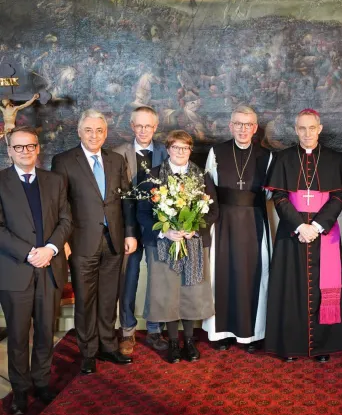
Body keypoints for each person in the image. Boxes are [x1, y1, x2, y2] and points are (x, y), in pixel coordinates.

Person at [52, 109, 137, 374]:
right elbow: (59, 204)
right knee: (86, 300)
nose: (94, 135)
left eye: (99, 130)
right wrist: (63, 239)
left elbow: (126, 200)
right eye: (89, 130)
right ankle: (87, 352)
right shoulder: (64, 161)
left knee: (109, 297)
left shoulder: (115, 160)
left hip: (113, 241)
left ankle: (108, 346)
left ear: (106, 133)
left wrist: (130, 232)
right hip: (81, 242)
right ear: (79, 132)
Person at [264, 108, 342, 363]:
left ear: (320, 129)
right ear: (296, 129)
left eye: (312, 128)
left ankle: (323, 346)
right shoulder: (284, 158)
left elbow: (337, 197)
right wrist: (301, 226)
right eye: (302, 128)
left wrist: (318, 226)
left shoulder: (333, 159)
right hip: (292, 233)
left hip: (325, 235)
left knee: (324, 290)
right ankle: (291, 345)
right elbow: (279, 196)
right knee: (290, 289)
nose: (307, 133)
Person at [0, 126, 72, 415]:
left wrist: (51, 249)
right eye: (19, 147)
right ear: (9, 151)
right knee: (18, 336)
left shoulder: (55, 181)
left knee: (45, 332)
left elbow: (66, 220)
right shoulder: (0, 182)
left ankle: (41, 382)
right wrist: (29, 253)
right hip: (15, 270)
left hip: (50, 269)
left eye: (30, 146)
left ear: (38, 148)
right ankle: (19, 390)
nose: (25, 151)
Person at [137, 130, 218, 364]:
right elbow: (142, 214)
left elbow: (213, 211)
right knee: (168, 292)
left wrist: (195, 228)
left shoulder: (202, 176)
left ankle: (189, 341)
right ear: (168, 149)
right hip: (163, 245)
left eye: (185, 148)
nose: (181, 152)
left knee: (191, 291)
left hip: (194, 244)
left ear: (190, 150)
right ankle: (173, 342)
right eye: (176, 147)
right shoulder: (153, 176)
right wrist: (165, 231)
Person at [202, 106, 273, 353]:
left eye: (248, 125)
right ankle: (220, 332)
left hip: (254, 221)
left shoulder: (266, 156)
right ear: (230, 126)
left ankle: (251, 333)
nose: (243, 129)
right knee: (221, 274)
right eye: (238, 124)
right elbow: (208, 188)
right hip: (222, 222)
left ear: (255, 128)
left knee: (251, 275)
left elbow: (271, 192)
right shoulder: (217, 151)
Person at [114, 106, 169, 355]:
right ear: (132, 126)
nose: (144, 130)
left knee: (158, 279)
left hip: (159, 225)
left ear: (155, 128)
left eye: (149, 126)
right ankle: (127, 330)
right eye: (139, 125)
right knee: (129, 277)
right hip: (128, 225)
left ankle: (155, 329)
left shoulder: (165, 152)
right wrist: (127, 230)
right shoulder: (117, 154)